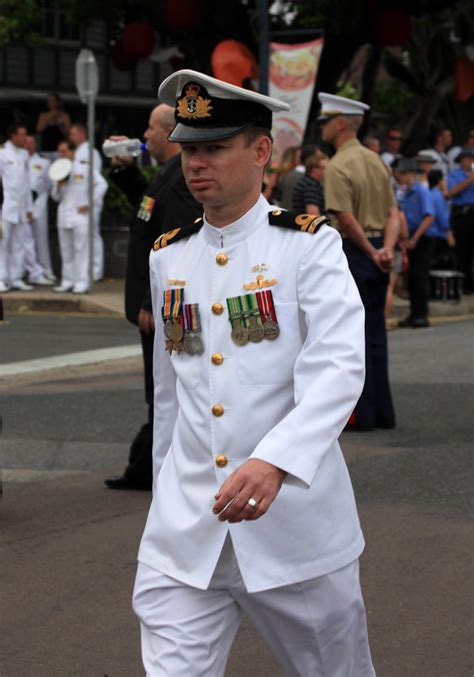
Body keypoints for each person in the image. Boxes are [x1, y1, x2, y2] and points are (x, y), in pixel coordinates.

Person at [132, 70, 375, 677]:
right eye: (189, 149)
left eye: (214, 147)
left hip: (293, 530)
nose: (196, 163)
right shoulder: (169, 255)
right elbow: (170, 394)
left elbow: (339, 365)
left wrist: (275, 461)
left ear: (261, 151)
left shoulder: (306, 246)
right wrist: (165, 493)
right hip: (186, 531)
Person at [104, 104, 201, 491]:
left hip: (159, 305)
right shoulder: (167, 174)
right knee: (157, 389)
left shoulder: (179, 178)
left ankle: (153, 468)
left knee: (163, 390)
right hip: (152, 302)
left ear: (169, 131)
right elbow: (146, 214)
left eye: (150, 128)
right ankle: (146, 466)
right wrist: (126, 172)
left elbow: (174, 241)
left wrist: (151, 300)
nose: (145, 136)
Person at [320, 92, 399, 430]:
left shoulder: (338, 165)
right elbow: (393, 213)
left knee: (353, 336)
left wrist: (368, 250)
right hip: (381, 245)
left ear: (340, 124)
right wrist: (386, 249)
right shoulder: (377, 160)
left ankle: (361, 415)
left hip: (355, 250)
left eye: (325, 122)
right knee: (376, 333)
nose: (322, 128)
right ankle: (383, 412)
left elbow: (345, 219)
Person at [51, 139, 108, 294]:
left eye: (64, 151)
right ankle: (67, 280)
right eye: (59, 151)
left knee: (81, 250)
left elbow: (102, 184)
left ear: (72, 152)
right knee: (66, 250)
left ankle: (81, 282)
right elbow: (55, 197)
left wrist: (90, 203)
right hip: (63, 215)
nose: (61, 154)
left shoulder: (84, 168)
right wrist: (58, 185)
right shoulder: (58, 171)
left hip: (80, 215)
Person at [397, 157, 436, 327]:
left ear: (413, 173)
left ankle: (422, 314)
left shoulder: (422, 191)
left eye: (405, 173)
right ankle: (414, 313)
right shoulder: (406, 193)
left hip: (423, 236)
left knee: (420, 276)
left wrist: (415, 238)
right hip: (412, 235)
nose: (402, 176)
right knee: (411, 277)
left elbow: (429, 217)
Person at [0, 124, 35, 292]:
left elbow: (26, 183)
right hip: (5, 206)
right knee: (2, 244)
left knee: (19, 243)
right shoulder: (2, 152)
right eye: (22, 135)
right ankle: (1, 277)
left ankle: (16, 278)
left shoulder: (23, 154)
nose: (24, 138)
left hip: (20, 207)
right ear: (13, 136)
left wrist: (29, 208)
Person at [69, 122, 105, 281]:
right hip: (80, 202)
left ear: (82, 133)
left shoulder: (91, 152)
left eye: (73, 133)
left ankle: (96, 270)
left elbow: (94, 179)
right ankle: (89, 270)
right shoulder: (78, 151)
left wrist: (90, 201)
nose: (71, 137)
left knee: (93, 235)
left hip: (91, 202)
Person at [24, 134, 55, 281]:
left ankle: (45, 269)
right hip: (21, 206)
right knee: (22, 240)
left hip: (39, 205)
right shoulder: (19, 158)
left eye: (32, 142)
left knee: (41, 239)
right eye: (27, 142)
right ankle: (25, 270)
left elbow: (49, 185)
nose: (29, 145)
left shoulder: (43, 161)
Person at [447, 147, 474, 294]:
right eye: (467, 159)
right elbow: (451, 192)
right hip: (463, 214)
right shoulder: (455, 175)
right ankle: (465, 285)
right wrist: (470, 180)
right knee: (464, 251)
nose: (470, 161)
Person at [428, 169, 456, 269]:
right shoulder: (438, 195)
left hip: (430, 234)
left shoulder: (429, 193)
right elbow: (442, 216)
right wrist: (449, 233)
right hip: (440, 234)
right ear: (440, 181)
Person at [291, 150, 328, 215]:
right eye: (324, 168)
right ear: (314, 168)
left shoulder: (307, 182)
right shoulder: (310, 186)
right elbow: (313, 214)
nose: (327, 171)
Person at [36, 92, 71, 159]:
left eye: (53, 100)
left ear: (58, 102)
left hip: (59, 150)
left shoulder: (64, 116)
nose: (51, 103)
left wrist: (59, 124)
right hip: (45, 149)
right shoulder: (43, 115)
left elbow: (67, 134)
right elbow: (39, 129)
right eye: (49, 101)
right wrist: (49, 117)